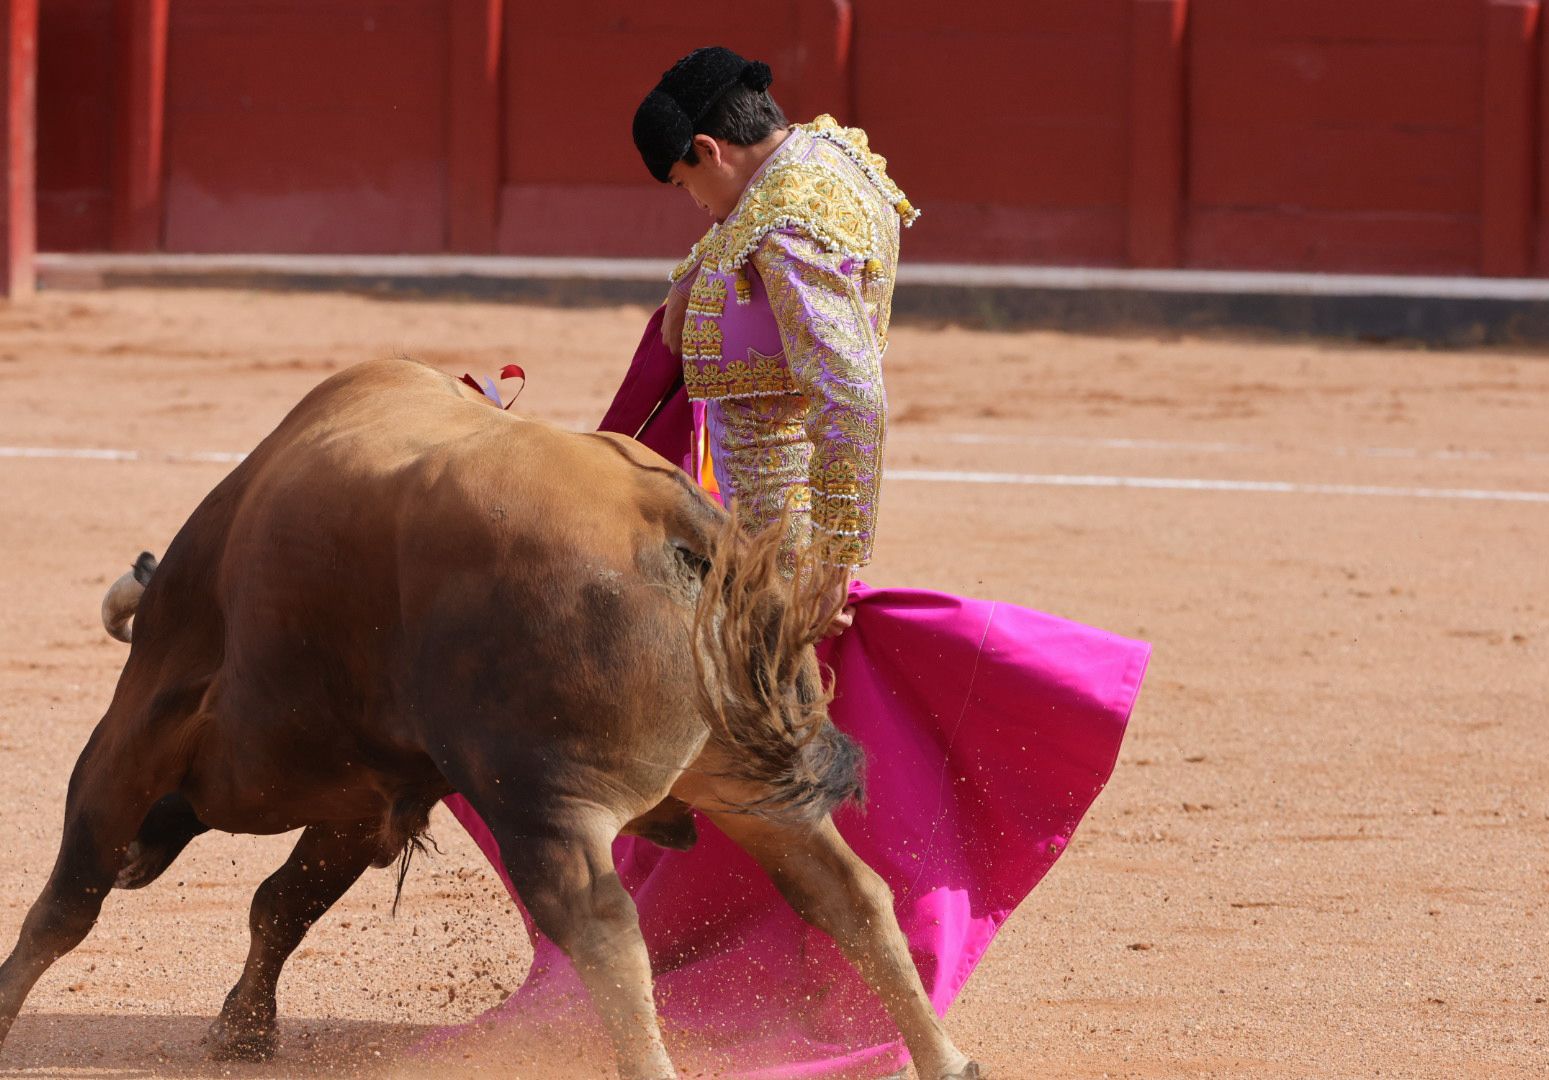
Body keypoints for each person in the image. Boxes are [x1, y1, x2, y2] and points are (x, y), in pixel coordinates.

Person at [439, 47, 1150, 1079]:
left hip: (766, 557)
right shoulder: (824, 165)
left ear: (710, 148)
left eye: (685, 181)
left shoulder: (786, 219)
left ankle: (798, 1001)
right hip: (748, 537)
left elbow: (851, 397)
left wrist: (828, 569)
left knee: (627, 732)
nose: (691, 205)